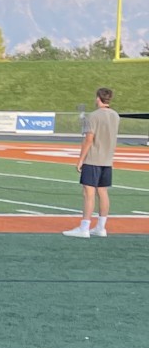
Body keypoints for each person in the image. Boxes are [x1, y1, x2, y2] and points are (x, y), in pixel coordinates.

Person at [65, 86, 120, 238]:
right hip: (107, 160)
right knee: (103, 192)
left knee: (88, 193)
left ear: (98, 98)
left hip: (93, 158)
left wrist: (80, 159)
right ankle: (101, 227)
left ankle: (84, 227)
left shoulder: (94, 116)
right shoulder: (115, 115)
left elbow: (89, 139)